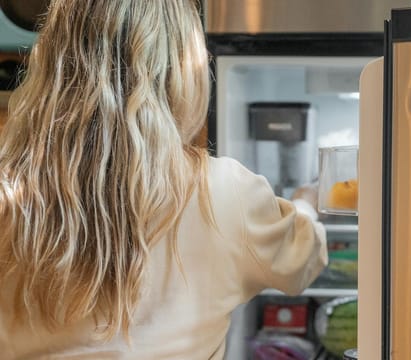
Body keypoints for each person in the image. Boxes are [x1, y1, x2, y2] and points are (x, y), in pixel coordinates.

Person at [0, 0, 327, 358]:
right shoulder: (224, 194)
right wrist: (305, 204)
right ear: (182, 71)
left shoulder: (10, 193)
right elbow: (301, 263)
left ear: (53, 64)